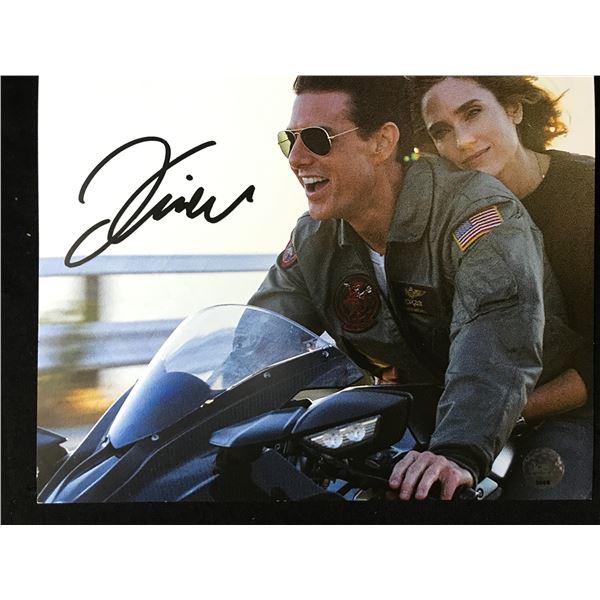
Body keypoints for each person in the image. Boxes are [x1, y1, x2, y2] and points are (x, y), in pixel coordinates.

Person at [248, 76, 580, 500]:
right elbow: (260, 340)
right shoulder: (315, 240)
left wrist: (455, 451)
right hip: (429, 423)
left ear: (382, 142)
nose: (296, 158)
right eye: (289, 140)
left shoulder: (476, 213)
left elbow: (494, 345)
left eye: (317, 139)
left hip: (539, 416)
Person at [410, 76, 594, 498]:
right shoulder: (444, 215)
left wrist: (496, 415)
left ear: (514, 108)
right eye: (441, 131)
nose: (463, 140)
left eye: (473, 113)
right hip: (487, 413)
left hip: (576, 412)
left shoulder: (586, 192)